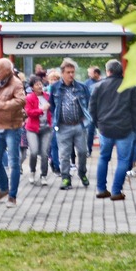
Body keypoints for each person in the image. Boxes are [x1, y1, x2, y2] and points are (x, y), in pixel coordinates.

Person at [88, 59, 136, 201]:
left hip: (105, 128)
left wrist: (98, 124)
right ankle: (116, 191)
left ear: (108, 71)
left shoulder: (98, 86)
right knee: (123, 160)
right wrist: (134, 127)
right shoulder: (130, 87)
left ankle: (101, 189)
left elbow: (92, 109)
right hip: (125, 129)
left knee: (103, 157)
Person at [0, 58, 26, 207]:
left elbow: (21, 101)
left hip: (12, 127)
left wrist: (2, 105)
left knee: (13, 162)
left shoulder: (16, 83)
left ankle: (12, 196)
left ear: (6, 70)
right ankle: (4, 187)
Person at [48, 58, 91, 190]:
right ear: (62, 73)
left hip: (79, 125)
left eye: (73, 72)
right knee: (64, 154)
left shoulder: (81, 87)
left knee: (83, 151)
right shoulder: (55, 88)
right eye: (68, 72)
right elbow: (52, 105)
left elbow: (87, 103)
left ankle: (82, 172)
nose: (71, 74)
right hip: (63, 126)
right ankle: (66, 177)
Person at [24, 77, 53, 185]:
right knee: (34, 151)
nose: (39, 86)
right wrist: (42, 110)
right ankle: (32, 171)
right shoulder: (29, 98)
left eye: (40, 84)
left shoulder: (47, 96)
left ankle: (44, 175)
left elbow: (53, 108)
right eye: (36, 84)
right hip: (32, 129)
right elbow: (29, 112)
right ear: (32, 87)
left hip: (46, 128)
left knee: (45, 153)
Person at [85, 66, 104, 154]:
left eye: (90, 73)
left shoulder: (104, 82)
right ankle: (89, 149)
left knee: (102, 131)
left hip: (102, 111)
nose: (89, 75)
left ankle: (103, 150)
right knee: (90, 131)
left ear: (96, 73)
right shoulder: (87, 83)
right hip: (91, 110)